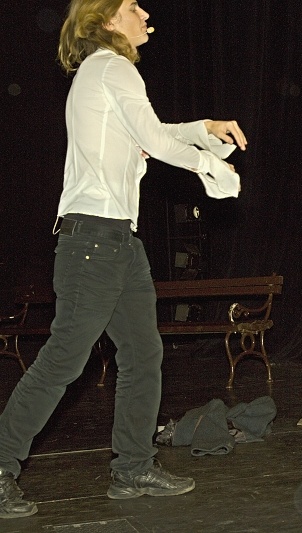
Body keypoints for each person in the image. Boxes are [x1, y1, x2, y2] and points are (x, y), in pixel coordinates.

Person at [0, 0, 247, 519]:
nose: (145, 13)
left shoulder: (104, 73)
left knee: (142, 352)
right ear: (109, 19)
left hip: (116, 242)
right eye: (133, 6)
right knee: (65, 359)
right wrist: (210, 167)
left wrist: (202, 128)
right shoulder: (112, 66)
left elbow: (151, 132)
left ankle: (133, 468)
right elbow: (154, 139)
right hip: (94, 240)